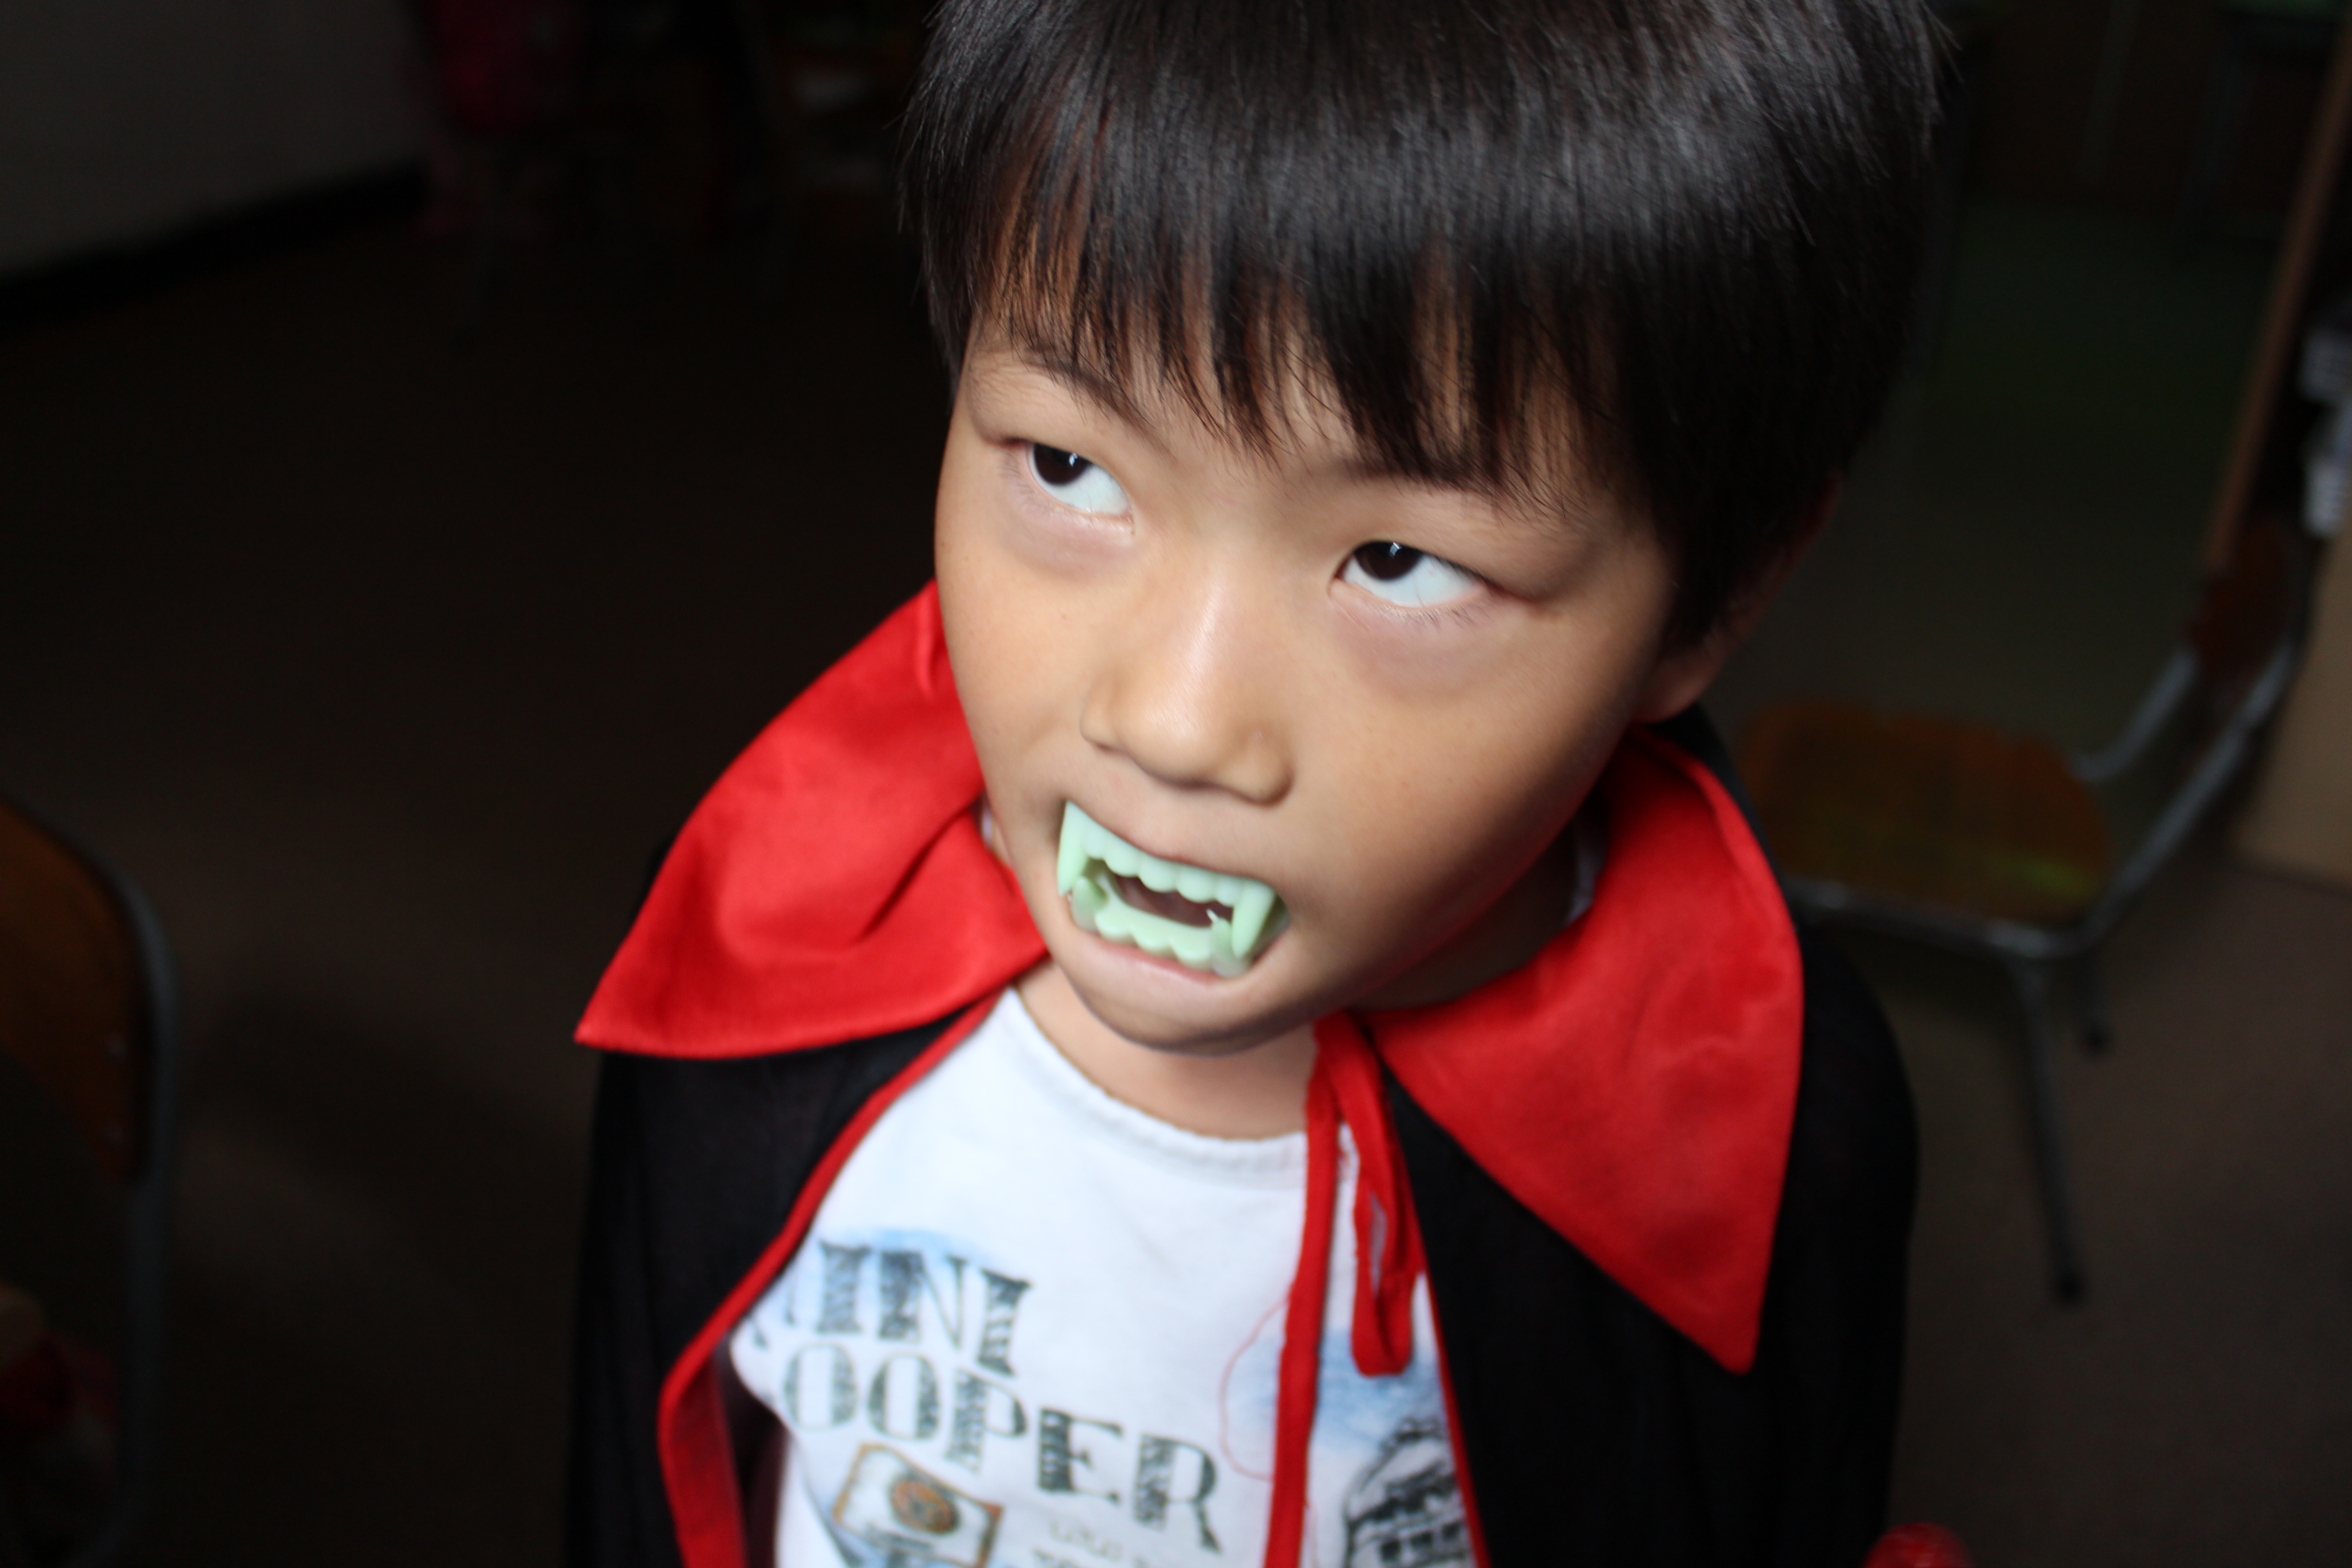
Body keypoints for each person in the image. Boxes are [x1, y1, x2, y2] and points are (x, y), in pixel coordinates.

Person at [566, 1, 1939, 1565]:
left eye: (1401, 561)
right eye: (1070, 467)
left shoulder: (1771, 1127)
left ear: (1721, 600)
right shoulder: (752, 941)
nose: (1175, 723)